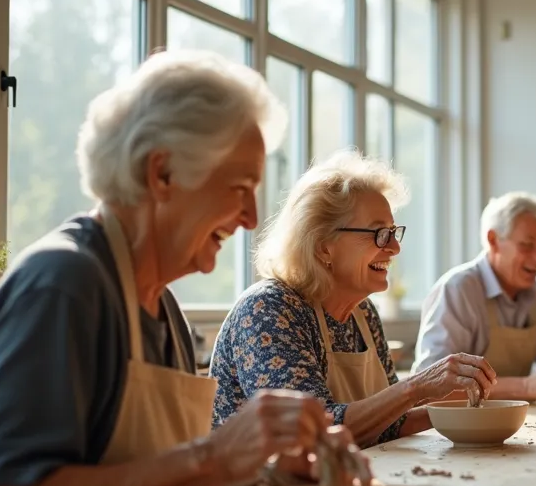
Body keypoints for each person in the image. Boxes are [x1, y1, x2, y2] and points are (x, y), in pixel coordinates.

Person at [0, 50, 368, 486]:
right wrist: (214, 458)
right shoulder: (63, 285)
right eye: (240, 186)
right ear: (163, 173)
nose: (251, 217)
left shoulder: (160, 305)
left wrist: (269, 470)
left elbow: (153, 480)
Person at [211, 151, 497, 447]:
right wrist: (418, 387)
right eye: (380, 234)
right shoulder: (269, 310)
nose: (395, 248)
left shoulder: (363, 313)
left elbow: (388, 424)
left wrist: (460, 400)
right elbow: (313, 433)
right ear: (323, 247)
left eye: (393, 232)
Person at [413, 192, 536, 400]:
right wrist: (526, 387)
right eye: (527, 245)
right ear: (493, 240)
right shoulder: (457, 290)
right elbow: (431, 387)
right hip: (459, 427)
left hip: (514, 420)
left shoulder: (534, 294)